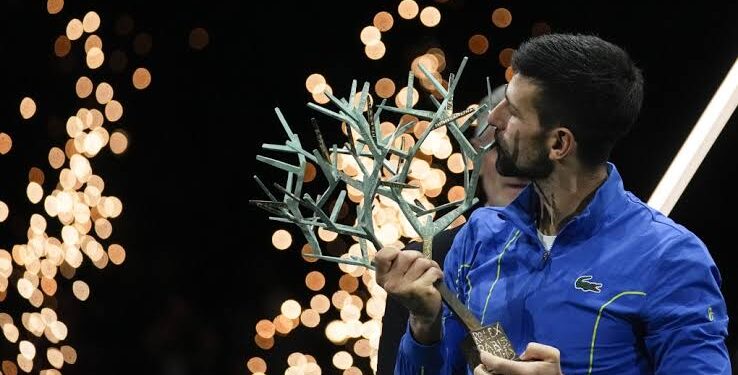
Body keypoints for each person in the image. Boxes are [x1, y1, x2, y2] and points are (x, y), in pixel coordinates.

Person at [374, 33, 730, 374]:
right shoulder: (480, 236)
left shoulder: (672, 259)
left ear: (559, 144)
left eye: (512, 112)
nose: (494, 118)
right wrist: (424, 325)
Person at [376, 88, 530, 375]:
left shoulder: (582, 253)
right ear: (474, 156)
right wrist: (424, 325)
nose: (513, 168)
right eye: (496, 147)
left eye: (524, 149)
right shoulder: (420, 263)